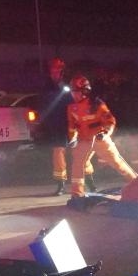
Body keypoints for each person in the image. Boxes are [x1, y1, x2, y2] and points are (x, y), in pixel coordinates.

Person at [67, 75, 138, 198]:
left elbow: (110, 121)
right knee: (77, 164)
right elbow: (72, 126)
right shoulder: (71, 108)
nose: (74, 94)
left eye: (76, 92)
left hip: (100, 139)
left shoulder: (96, 104)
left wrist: (105, 133)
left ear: (85, 91)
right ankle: (77, 194)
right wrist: (72, 138)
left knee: (117, 163)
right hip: (84, 140)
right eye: (73, 92)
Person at [33, 57, 89, 196]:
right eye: (53, 70)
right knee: (58, 154)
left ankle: (88, 180)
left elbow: (77, 102)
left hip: (72, 123)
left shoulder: (70, 84)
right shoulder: (45, 86)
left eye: (58, 70)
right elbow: (42, 104)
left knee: (79, 153)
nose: (55, 72)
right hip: (56, 124)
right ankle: (61, 184)